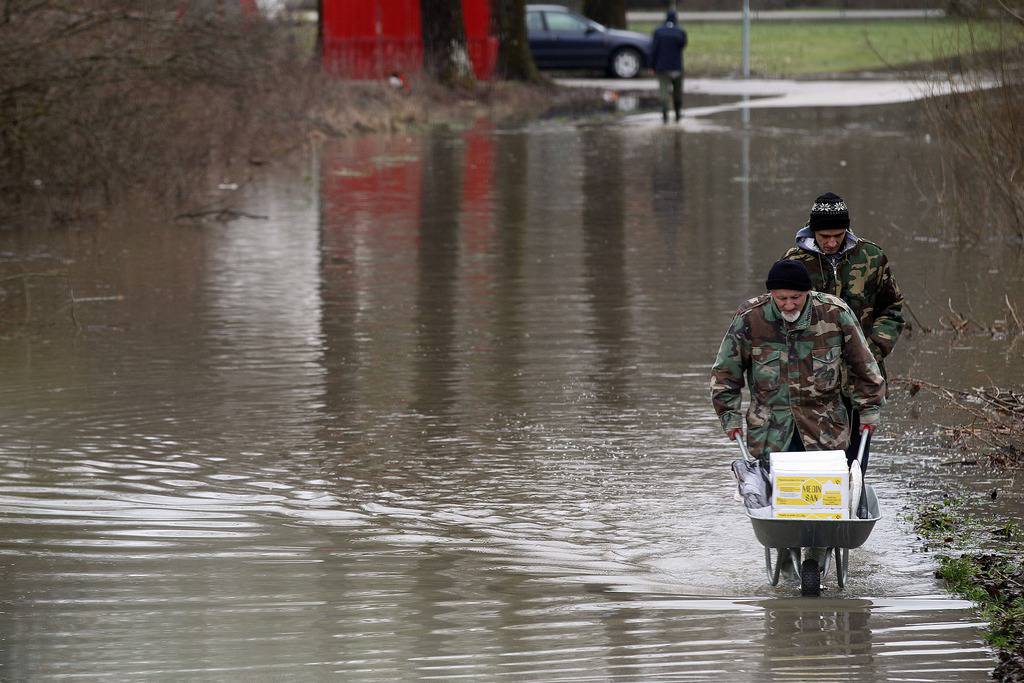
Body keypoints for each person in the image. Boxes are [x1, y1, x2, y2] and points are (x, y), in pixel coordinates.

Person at [710, 259, 885, 462]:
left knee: (827, 489)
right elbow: (725, 373)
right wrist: (729, 416)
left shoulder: (835, 314)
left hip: (825, 434)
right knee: (776, 488)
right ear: (772, 294)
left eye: (796, 297)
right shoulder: (750, 318)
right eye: (782, 298)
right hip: (771, 436)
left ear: (808, 292)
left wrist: (870, 409)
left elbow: (864, 366)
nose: (789, 304)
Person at [781, 192, 905, 463]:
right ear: (813, 232)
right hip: (809, 380)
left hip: (860, 378)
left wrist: (871, 350)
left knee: (855, 458)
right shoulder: (793, 262)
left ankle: (853, 500)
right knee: (803, 457)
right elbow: (779, 313)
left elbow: (893, 309)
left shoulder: (872, 257)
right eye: (824, 236)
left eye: (837, 234)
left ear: (846, 229)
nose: (831, 242)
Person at [650, 9, 688, 123]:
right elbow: (683, 45)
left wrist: (652, 65)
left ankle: (665, 115)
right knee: (677, 92)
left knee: (663, 92)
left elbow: (654, 50)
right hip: (677, 67)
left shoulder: (658, 31)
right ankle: (677, 115)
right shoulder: (680, 31)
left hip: (662, 67)